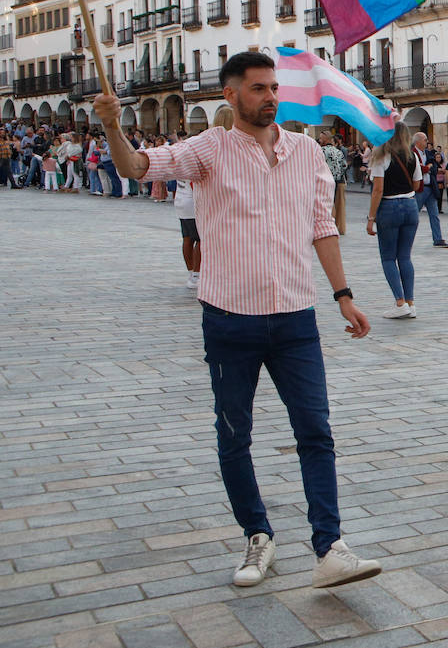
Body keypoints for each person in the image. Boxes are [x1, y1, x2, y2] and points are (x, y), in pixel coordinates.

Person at [90, 51, 381, 591]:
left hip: (296, 317)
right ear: (231, 95)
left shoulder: (307, 153)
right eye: (257, 88)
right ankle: (257, 534)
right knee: (234, 434)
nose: (270, 96)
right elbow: (137, 168)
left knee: (316, 431)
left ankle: (330, 546)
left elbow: (322, 227)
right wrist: (112, 126)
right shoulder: (209, 150)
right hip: (230, 319)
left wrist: (343, 295)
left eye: (273, 87)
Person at [366, 125, 421, 320]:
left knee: (388, 257)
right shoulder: (412, 156)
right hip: (410, 205)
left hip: (389, 206)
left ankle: (399, 302)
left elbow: (378, 189)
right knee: (405, 256)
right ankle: (411, 302)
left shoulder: (382, 156)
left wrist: (371, 218)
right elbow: (416, 184)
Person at [411, 132, 448, 248]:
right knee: (413, 215)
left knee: (434, 214)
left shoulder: (428, 153)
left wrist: (427, 168)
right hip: (419, 189)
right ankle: (407, 239)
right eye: (425, 140)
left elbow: (434, 167)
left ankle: (438, 239)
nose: (427, 142)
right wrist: (426, 168)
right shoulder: (412, 153)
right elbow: (416, 168)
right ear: (418, 141)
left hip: (430, 187)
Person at [176, 176, 201, 291]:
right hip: (192, 202)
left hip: (180, 199)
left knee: (187, 238)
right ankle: (196, 275)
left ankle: (191, 272)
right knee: (200, 240)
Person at [320, 134, 347, 236]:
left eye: (321, 138)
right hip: (339, 180)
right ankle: (340, 228)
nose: (320, 139)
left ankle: (328, 227)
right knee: (340, 205)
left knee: (327, 204)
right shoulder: (338, 151)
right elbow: (344, 165)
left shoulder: (321, 151)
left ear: (326, 139)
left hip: (325, 181)